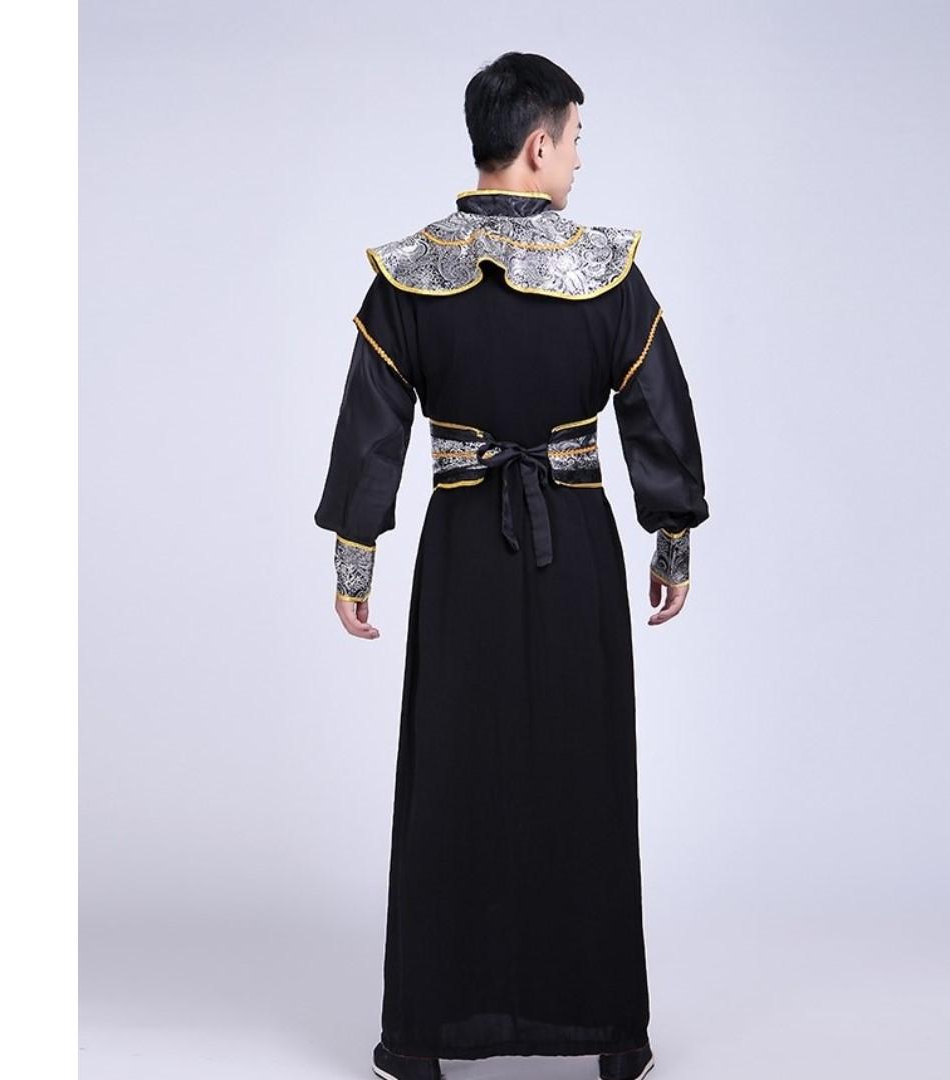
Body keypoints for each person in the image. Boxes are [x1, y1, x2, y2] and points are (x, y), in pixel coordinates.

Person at [314, 50, 710, 1080]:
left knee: (454, 774)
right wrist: (670, 534)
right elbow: (657, 412)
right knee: (583, 770)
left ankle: (424, 1038)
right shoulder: (607, 271)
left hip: (460, 551)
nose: (578, 161)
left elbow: (370, 430)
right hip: (575, 546)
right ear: (537, 145)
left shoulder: (409, 273)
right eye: (575, 141)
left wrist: (356, 559)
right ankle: (608, 1032)